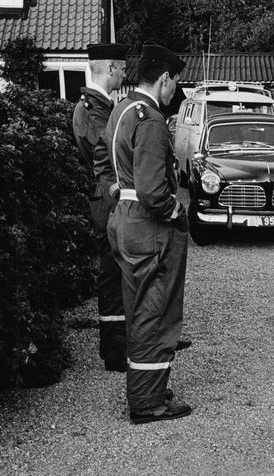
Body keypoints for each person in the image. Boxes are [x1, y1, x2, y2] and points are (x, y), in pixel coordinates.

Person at [104, 43, 192, 424]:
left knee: (138, 306)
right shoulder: (151, 119)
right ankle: (147, 403)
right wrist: (176, 211)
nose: (176, 92)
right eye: (176, 83)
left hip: (124, 218)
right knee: (155, 312)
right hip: (148, 225)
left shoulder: (122, 110)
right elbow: (154, 191)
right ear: (165, 78)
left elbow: (108, 164)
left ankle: (149, 388)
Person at [72, 43, 130, 373]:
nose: (124, 74)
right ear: (109, 69)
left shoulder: (100, 106)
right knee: (113, 274)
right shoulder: (93, 109)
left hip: (107, 195)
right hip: (108, 197)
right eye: (121, 68)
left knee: (121, 271)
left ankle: (129, 340)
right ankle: (114, 349)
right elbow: (104, 155)